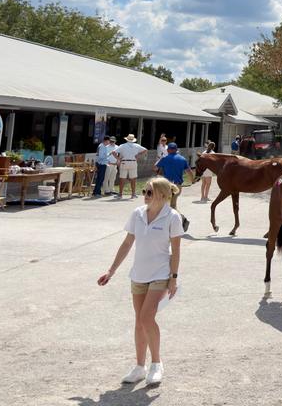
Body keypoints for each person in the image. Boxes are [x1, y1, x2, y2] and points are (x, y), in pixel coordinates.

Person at [97, 176, 183, 387]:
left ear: (162, 196)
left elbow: (176, 250)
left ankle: (156, 364)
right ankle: (139, 367)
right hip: (138, 274)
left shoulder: (172, 217)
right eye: (144, 192)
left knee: (146, 318)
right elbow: (127, 243)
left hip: (160, 274)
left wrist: (173, 277)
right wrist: (111, 270)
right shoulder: (137, 214)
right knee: (139, 321)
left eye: (149, 192)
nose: (145, 196)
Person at [155, 143, 190, 232]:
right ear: (176, 149)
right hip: (177, 186)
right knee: (172, 204)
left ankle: (182, 220)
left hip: (167, 185)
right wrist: (192, 180)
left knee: (166, 205)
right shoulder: (182, 159)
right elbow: (189, 171)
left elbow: (155, 168)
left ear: (168, 150)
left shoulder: (165, 159)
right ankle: (173, 223)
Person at [115, 134, 147, 199]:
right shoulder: (137, 145)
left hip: (124, 162)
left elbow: (113, 152)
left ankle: (120, 194)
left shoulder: (122, 146)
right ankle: (133, 194)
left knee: (122, 179)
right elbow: (145, 150)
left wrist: (118, 159)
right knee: (133, 179)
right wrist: (138, 155)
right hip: (133, 162)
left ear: (127, 139)